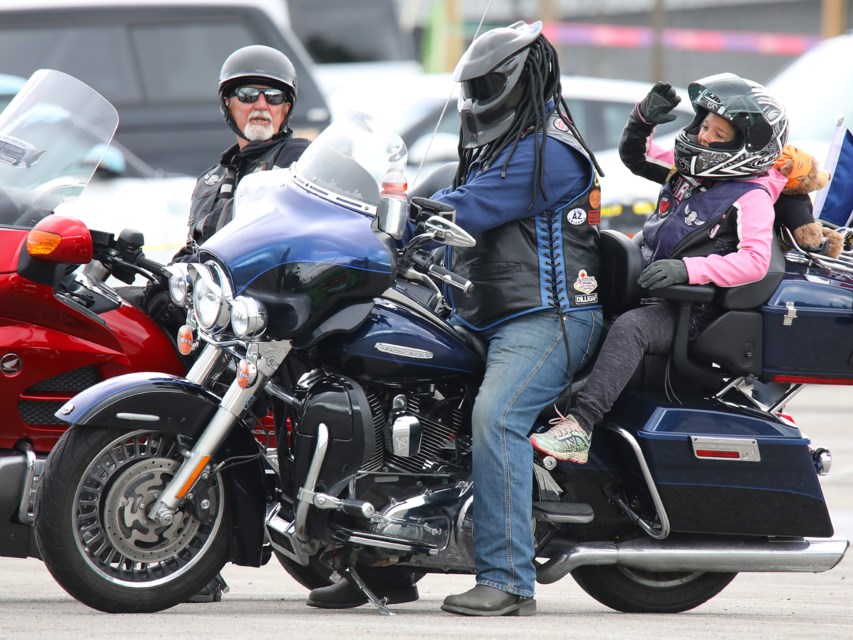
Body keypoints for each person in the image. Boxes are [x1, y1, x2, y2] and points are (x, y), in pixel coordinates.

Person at [306, 20, 605, 617]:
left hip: (548, 318)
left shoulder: (550, 151)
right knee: (384, 385)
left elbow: (469, 207)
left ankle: (510, 580)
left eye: (486, 83)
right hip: (480, 313)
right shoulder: (504, 142)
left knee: (497, 418)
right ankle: (382, 563)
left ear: (518, 80)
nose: (473, 97)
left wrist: (398, 216)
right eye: (469, 84)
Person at [530, 73, 789, 464]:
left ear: (747, 146)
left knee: (630, 329)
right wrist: (643, 119)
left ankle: (580, 427)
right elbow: (637, 156)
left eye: (719, 135)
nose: (704, 138)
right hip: (648, 289)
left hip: (690, 309)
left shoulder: (751, 196)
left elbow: (755, 261)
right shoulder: (689, 173)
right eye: (705, 126)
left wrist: (690, 271)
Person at [134, 44, 309, 331]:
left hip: (255, 316)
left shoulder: (298, 160)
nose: (262, 105)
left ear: (286, 108)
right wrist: (165, 276)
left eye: (274, 97)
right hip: (205, 309)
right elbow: (194, 245)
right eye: (248, 95)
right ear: (228, 102)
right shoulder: (210, 179)